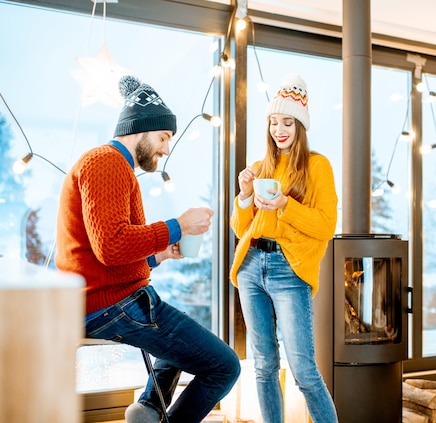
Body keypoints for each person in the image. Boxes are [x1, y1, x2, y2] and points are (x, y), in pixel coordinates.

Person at [55, 75, 240, 423]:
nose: (166, 149)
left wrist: (159, 255)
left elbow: (107, 254)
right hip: (111, 305)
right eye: (164, 137)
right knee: (224, 366)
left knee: (183, 337)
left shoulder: (116, 167)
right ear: (141, 128)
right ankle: (155, 410)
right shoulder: (106, 163)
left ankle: (150, 408)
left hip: (107, 299)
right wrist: (179, 226)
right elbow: (112, 245)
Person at [230, 75, 339, 423]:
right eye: (274, 122)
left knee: (304, 369)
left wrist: (284, 205)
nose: (280, 129)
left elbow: (326, 225)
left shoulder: (318, 166)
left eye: (287, 122)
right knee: (262, 365)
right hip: (250, 267)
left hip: (289, 270)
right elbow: (240, 228)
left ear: (300, 126)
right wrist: (245, 195)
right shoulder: (261, 166)